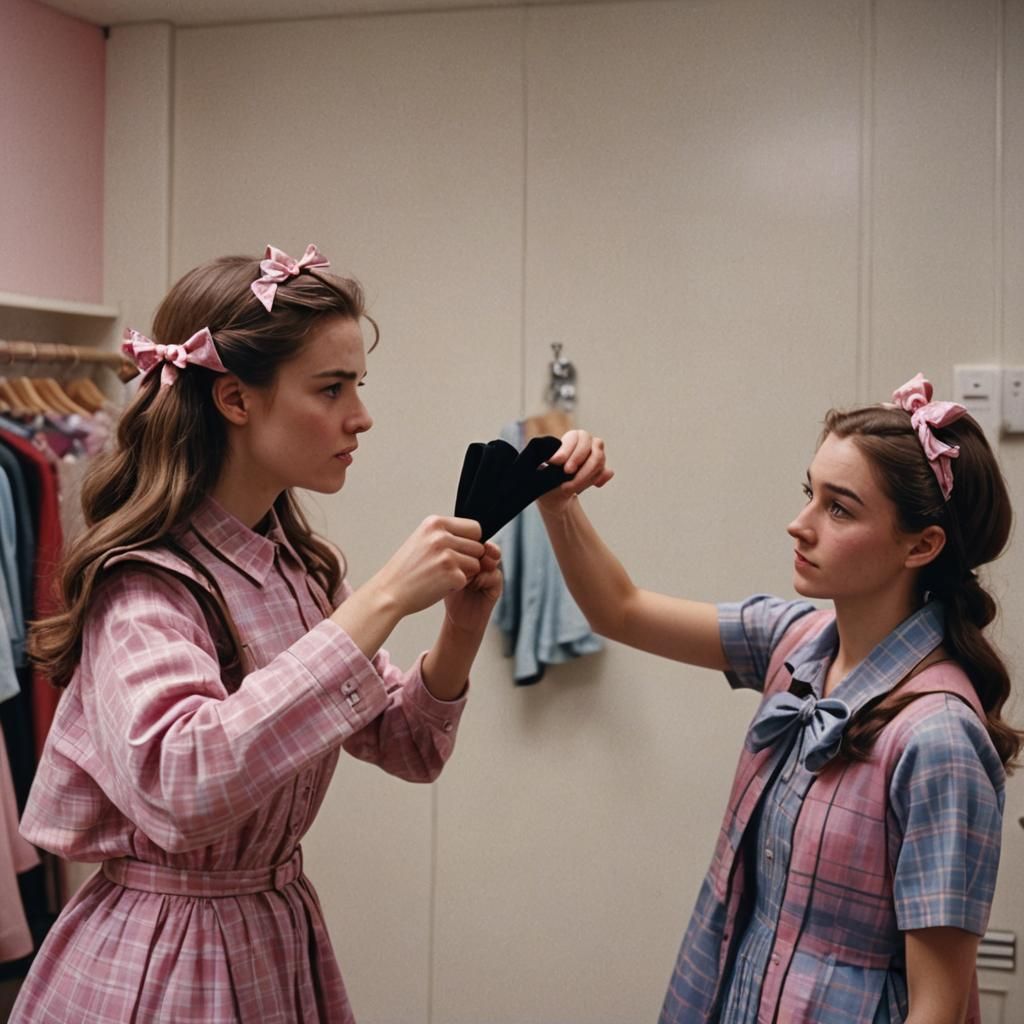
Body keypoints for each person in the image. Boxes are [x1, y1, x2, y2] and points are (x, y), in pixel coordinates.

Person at [10, 244, 502, 1023]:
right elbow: (182, 788)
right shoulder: (146, 584)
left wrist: (460, 630)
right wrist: (378, 599)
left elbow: (411, 746)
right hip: (164, 958)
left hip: (274, 936)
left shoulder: (297, 570)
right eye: (331, 388)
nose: (360, 416)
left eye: (357, 386)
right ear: (235, 400)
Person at [538, 374, 1018, 1024]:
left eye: (839, 509)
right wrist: (558, 501)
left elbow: (937, 1007)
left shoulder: (937, 739)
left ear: (922, 545)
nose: (800, 525)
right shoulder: (795, 639)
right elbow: (618, 610)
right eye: (809, 495)